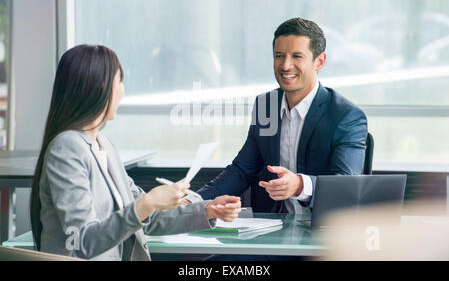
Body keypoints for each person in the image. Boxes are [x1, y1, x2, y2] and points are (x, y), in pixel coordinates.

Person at [30, 44, 241, 261]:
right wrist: (147, 203)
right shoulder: (67, 148)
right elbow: (83, 241)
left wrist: (208, 209)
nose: (123, 90)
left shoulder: (105, 146)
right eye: (120, 80)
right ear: (102, 87)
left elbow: (147, 218)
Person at [187, 17, 368, 217]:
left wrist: (300, 185)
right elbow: (241, 171)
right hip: (271, 229)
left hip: (323, 232)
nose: (285, 65)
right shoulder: (267, 105)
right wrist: (191, 203)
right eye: (279, 55)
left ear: (320, 62)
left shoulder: (346, 116)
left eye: (297, 56)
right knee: (215, 250)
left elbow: (346, 186)